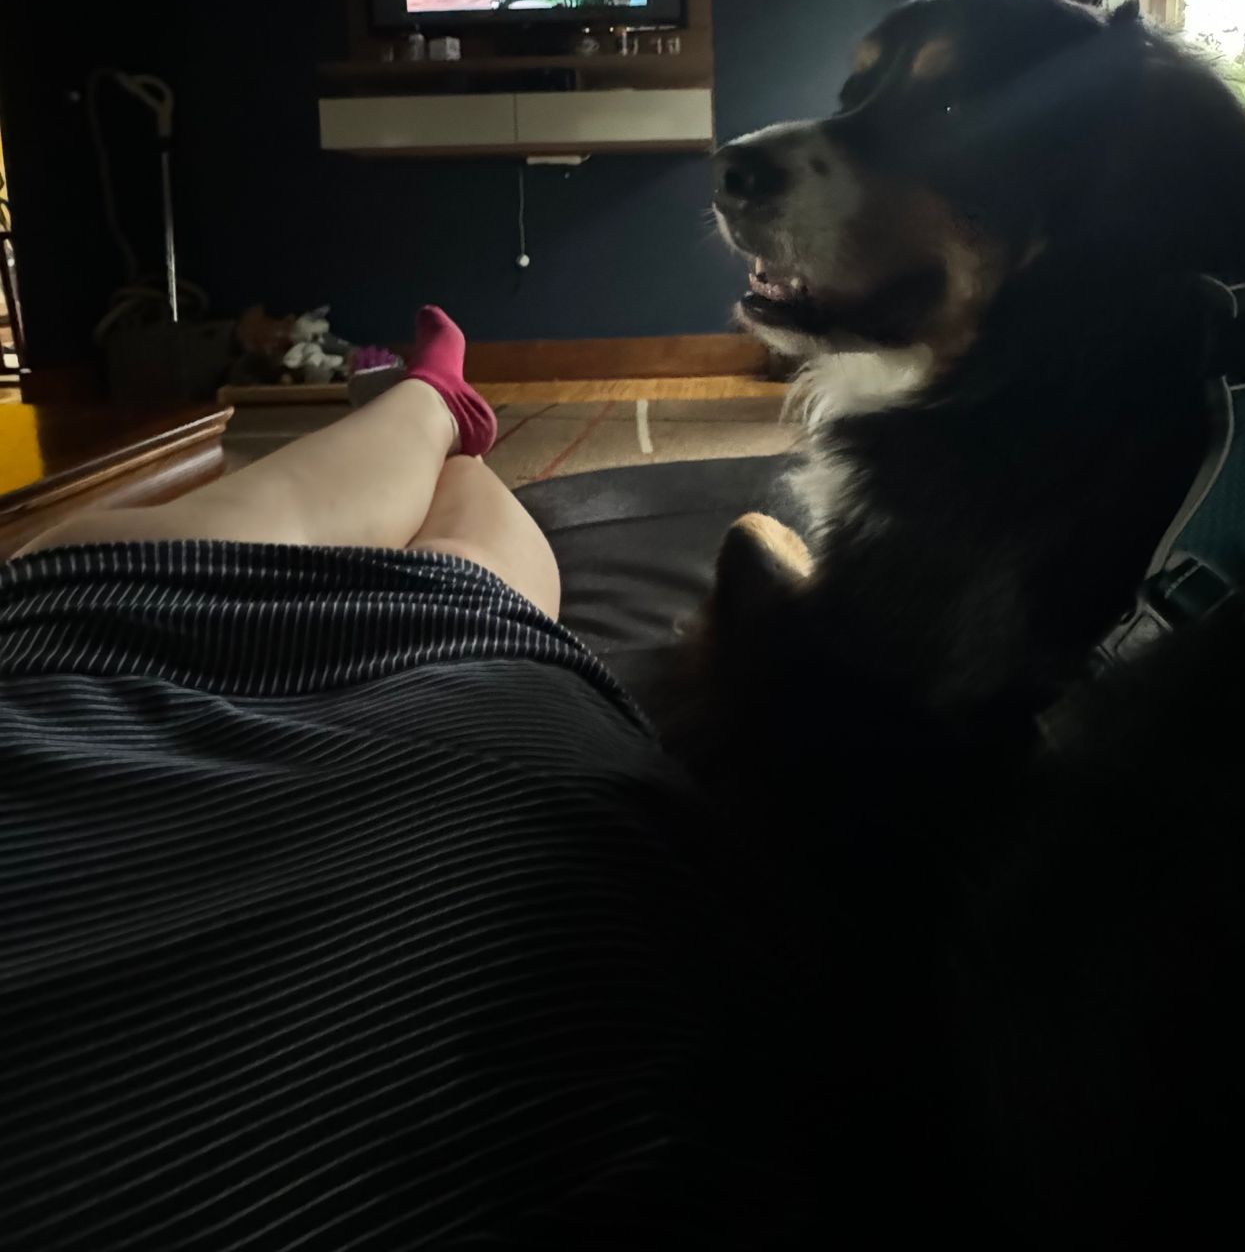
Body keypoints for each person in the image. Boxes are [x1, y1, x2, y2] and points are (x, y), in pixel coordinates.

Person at [0, 309, 796, 1249]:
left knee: (109, 556)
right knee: (447, 576)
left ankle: (429, 405)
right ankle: (439, 420)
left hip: (66, 706)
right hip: (437, 766)